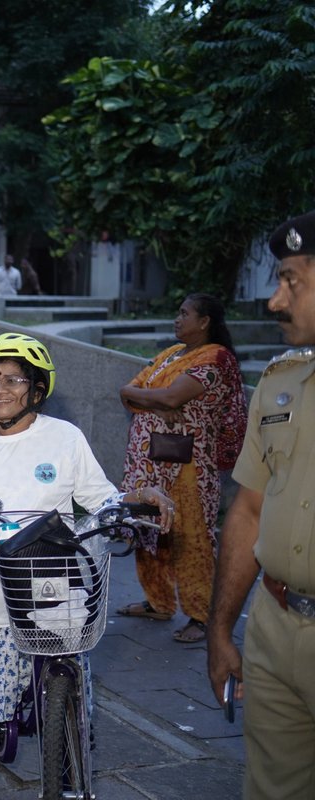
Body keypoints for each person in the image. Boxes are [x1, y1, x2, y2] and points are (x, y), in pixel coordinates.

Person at [0, 333, 174, 800]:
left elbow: (99, 498)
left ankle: (65, 782)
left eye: (13, 379)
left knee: (65, 697)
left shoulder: (65, 439)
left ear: (36, 389)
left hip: (53, 590)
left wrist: (135, 497)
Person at [207, 210, 315, 799]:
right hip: (273, 630)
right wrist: (221, 630)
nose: (275, 301)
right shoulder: (280, 381)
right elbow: (247, 511)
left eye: (291, 281)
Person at [116, 293, 247, 643]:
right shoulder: (171, 355)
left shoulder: (216, 358)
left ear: (204, 322)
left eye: (184, 313)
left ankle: (201, 617)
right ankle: (158, 602)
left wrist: (154, 399)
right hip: (148, 465)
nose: (177, 318)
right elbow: (125, 391)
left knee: (191, 538)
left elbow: (174, 397)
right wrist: (155, 403)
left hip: (189, 467)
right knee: (148, 528)